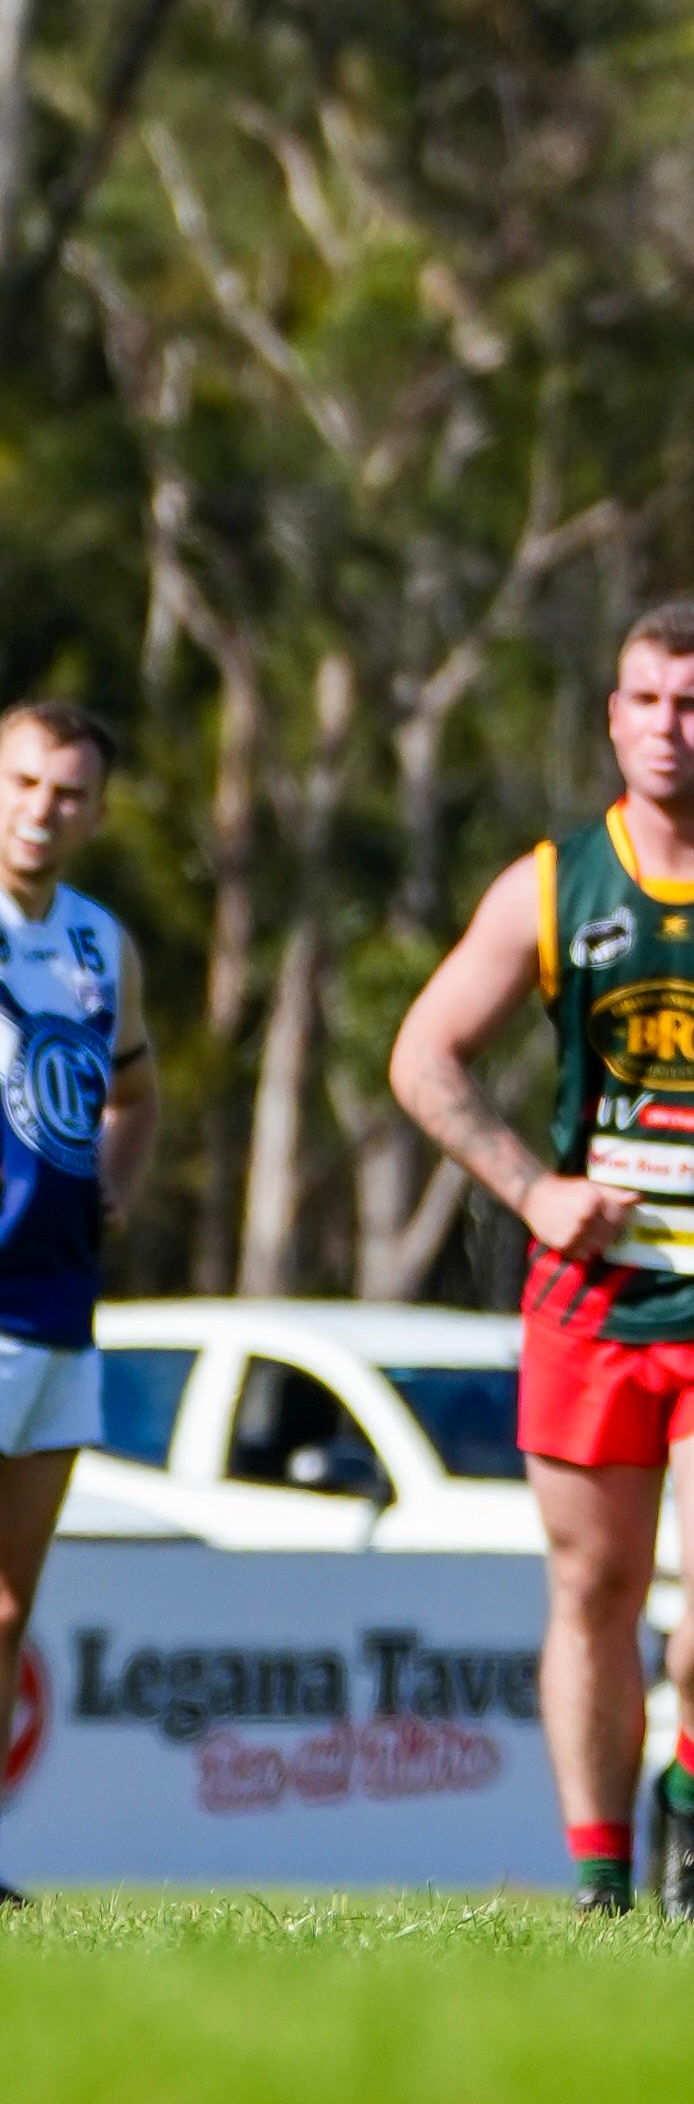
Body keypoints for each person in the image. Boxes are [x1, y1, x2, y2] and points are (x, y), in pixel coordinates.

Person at [389, 602, 694, 1919]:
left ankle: (692, 1783)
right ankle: (601, 1884)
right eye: (645, 700)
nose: (667, 727)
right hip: (589, 1302)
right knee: (594, 1586)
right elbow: (423, 1055)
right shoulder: (551, 884)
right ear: (611, 716)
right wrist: (531, 1188)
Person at [0, 701, 160, 1908]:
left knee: (10, 1606)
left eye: (65, 792)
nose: (39, 810)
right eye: (20, 783)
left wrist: (119, 1180)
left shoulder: (101, 943)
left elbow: (134, 1091)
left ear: (97, 812)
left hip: (60, 1306)